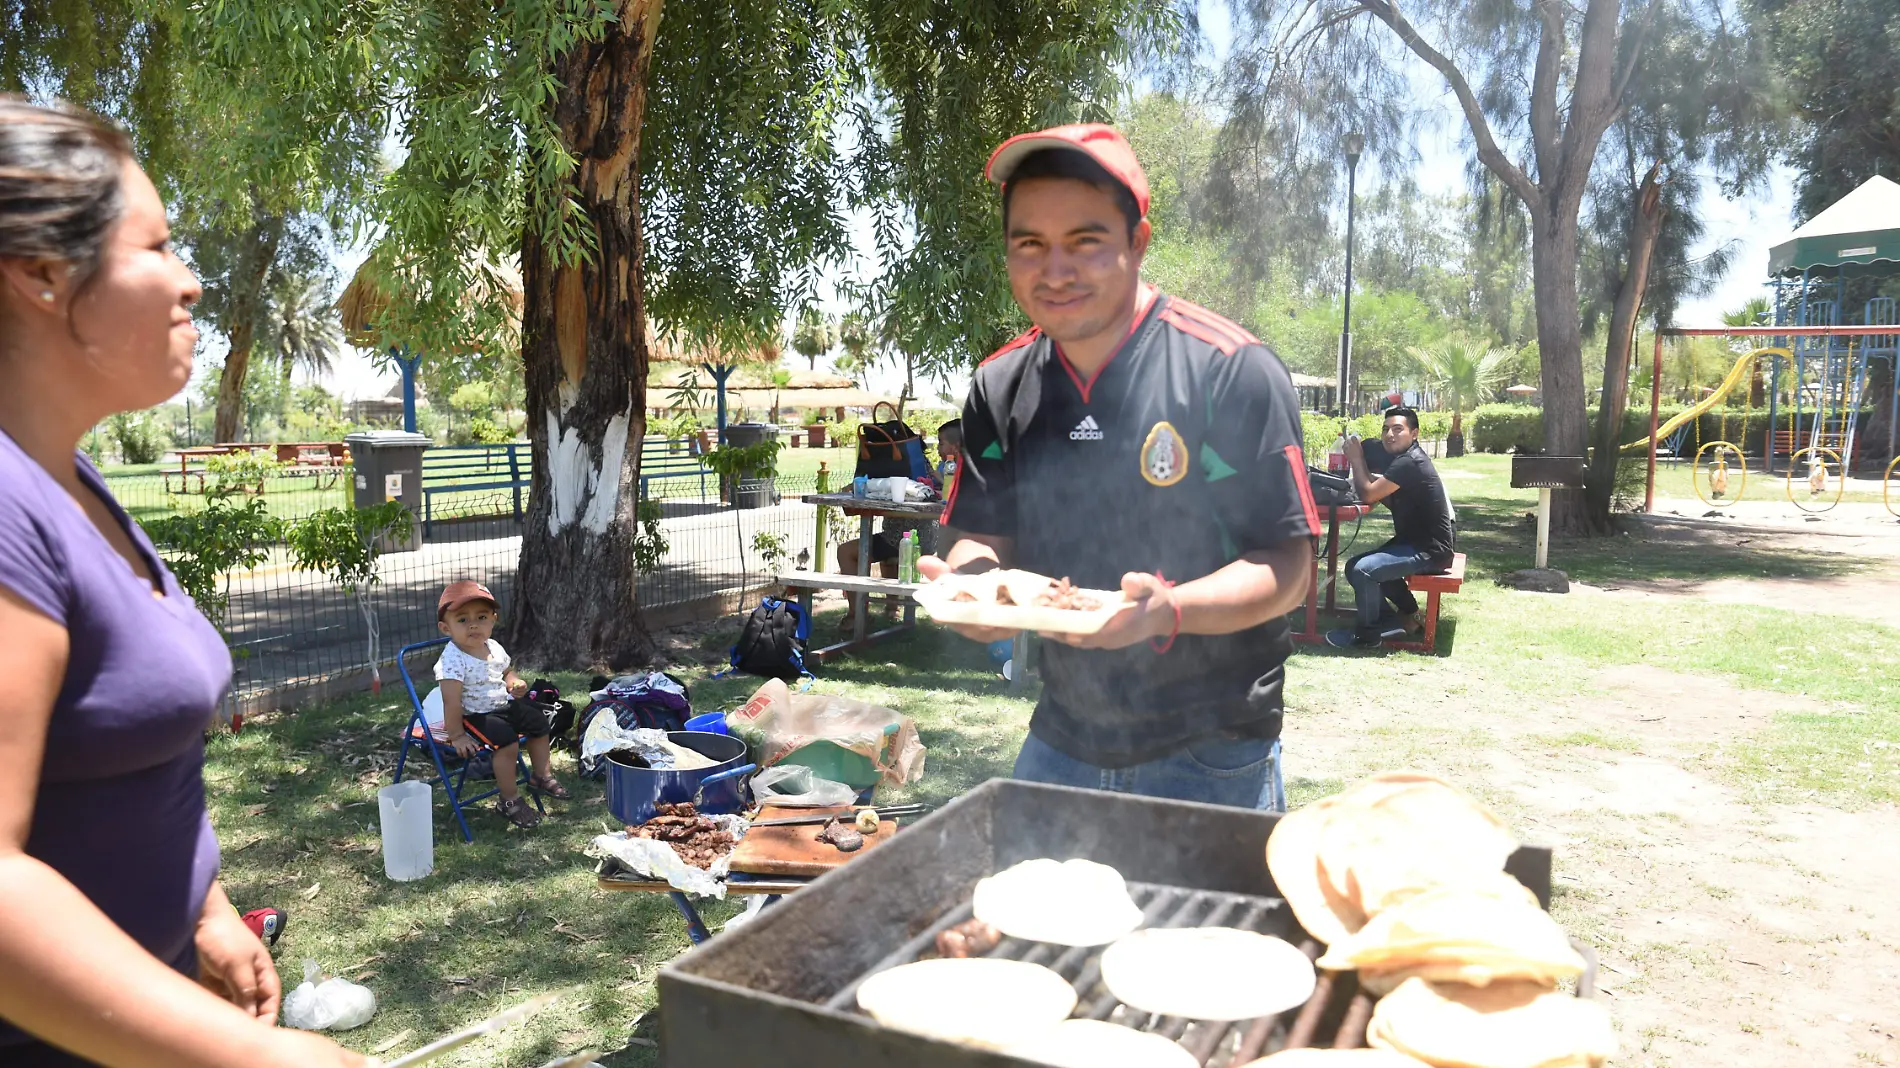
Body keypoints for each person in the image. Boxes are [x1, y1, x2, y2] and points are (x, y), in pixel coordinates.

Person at [0, 97, 363, 1066]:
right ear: (40, 273)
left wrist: (202, 909)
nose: (191, 282)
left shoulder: (73, 482)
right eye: (156, 245)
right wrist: (267, 1059)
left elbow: (119, 759)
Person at [920, 123, 1317, 810]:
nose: (1055, 270)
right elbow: (981, 533)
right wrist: (972, 586)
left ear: (1138, 242)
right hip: (1061, 736)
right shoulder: (1000, 383)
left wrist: (1171, 611)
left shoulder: (1228, 369)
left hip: (1213, 752)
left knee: (1201, 924)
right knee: (1016, 920)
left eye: (1086, 241)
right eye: (1030, 245)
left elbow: (1288, 566)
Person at [432, 580, 569, 829]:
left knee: (539, 721)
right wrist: (457, 736)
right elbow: (450, 701)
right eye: (462, 620)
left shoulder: (493, 646)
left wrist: (514, 683)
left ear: (493, 620)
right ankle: (508, 800)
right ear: (445, 628)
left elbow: (507, 672)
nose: (473, 624)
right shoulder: (452, 660)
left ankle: (541, 775)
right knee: (507, 742)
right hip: (475, 715)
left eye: (481, 617)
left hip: (503, 705)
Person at [1332, 406, 1457, 648]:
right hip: (1415, 542)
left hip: (1431, 549)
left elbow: (1368, 494)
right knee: (1354, 566)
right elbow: (1386, 496)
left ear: (1414, 433)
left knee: (1363, 570)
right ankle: (1398, 619)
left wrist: (1356, 460)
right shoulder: (1405, 460)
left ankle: (1368, 635)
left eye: (1397, 429)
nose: (1390, 434)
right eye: (1386, 429)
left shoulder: (1410, 462)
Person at [834, 419, 962, 631]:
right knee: (889, 552)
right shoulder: (923, 465)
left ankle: (857, 615)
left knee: (847, 552)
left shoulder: (904, 467)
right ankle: (891, 610)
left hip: (911, 538)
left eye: (940, 443)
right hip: (918, 537)